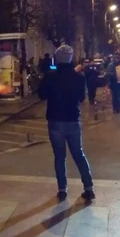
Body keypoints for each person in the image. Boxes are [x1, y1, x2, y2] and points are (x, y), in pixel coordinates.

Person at [38, 45, 95, 202]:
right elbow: (82, 98)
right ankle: (88, 188)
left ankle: (62, 189)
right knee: (79, 154)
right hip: (72, 120)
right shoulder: (79, 78)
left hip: (55, 121)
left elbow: (41, 95)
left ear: (57, 58)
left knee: (59, 157)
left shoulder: (50, 76)